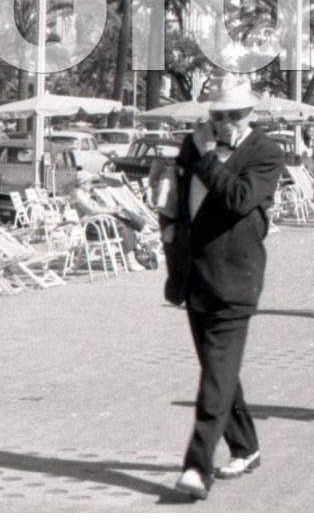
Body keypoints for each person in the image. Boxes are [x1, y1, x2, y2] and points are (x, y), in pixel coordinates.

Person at [162, 75, 284, 502]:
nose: (226, 122)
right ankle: (246, 446)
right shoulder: (192, 146)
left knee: (215, 376)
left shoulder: (266, 152)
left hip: (236, 278)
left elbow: (237, 198)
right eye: (218, 115)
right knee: (220, 372)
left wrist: (205, 157)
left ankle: (197, 467)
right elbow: (176, 202)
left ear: (251, 114)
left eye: (235, 114)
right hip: (194, 276)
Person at [70, 169, 147, 272]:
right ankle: (131, 260)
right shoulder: (79, 196)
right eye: (90, 183)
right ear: (84, 184)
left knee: (125, 222)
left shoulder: (84, 194)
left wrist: (110, 210)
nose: (91, 185)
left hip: (98, 223)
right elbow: (92, 211)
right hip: (92, 228)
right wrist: (111, 211)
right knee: (123, 227)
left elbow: (95, 209)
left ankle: (134, 251)